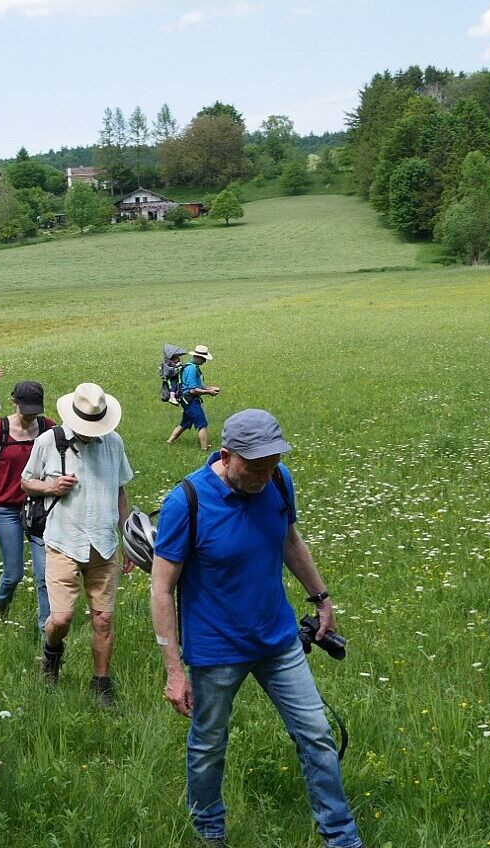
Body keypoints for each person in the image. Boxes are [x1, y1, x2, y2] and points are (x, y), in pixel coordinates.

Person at [150, 409, 362, 848]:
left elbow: (290, 541)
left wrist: (322, 599)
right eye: (255, 467)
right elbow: (161, 589)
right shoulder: (185, 502)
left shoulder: (278, 480)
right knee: (209, 745)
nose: (265, 475)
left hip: (278, 640)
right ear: (226, 456)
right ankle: (210, 831)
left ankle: (342, 838)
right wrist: (174, 669)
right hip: (215, 651)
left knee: (317, 735)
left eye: (272, 464)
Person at [21, 382, 133, 707]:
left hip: (104, 545)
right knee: (61, 619)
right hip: (63, 542)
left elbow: (120, 491)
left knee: (103, 619)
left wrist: (128, 540)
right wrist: (52, 487)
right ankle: (52, 654)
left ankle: (101, 683)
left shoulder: (113, 443)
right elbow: (26, 480)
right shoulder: (49, 441)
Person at [0, 381, 54, 633]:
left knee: (44, 576)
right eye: (26, 408)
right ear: (13, 401)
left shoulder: (47, 428)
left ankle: (46, 633)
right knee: (14, 574)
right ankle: (0, 606)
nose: (31, 414)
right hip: (5, 509)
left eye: (35, 409)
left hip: (39, 509)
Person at [167, 345, 220, 452]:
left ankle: (169, 442)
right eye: (204, 359)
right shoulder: (191, 369)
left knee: (185, 423)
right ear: (198, 357)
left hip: (188, 400)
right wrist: (208, 392)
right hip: (190, 400)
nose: (205, 361)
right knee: (202, 423)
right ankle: (205, 449)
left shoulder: (191, 367)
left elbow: (198, 385)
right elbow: (192, 390)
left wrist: (209, 388)